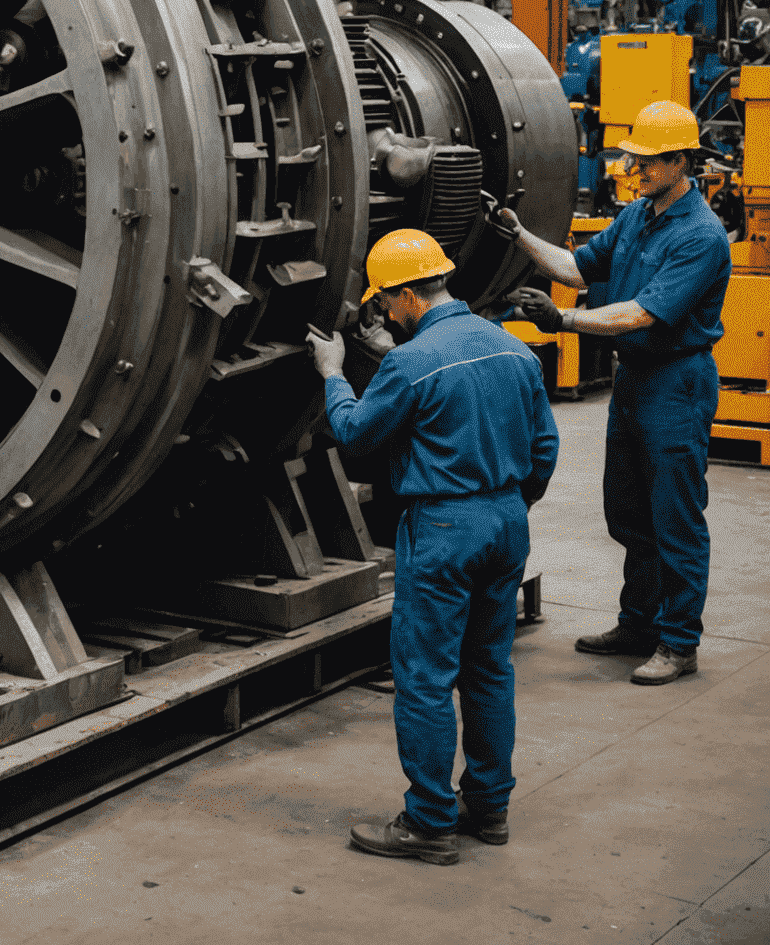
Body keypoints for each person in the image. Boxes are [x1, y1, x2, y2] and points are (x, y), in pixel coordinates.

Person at [308, 230, 558, 866]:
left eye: (386, 302)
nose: (385, 315)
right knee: (489, 669)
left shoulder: (410, 366)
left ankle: (427, 824)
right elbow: (544, 450)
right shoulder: (512, 350)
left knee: (425, 678)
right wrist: (504, 505)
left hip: (444, 530)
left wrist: (334, 374)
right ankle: (489, 808)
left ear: (405, 295)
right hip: (506, 522)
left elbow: (356, 435)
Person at [506, 99, 731, 687]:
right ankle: (638, 624)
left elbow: (640, 315)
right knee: (630, 512)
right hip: (635, 382)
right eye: (634, 159)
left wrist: (563, 323)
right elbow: (578, 270)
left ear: (681, 162)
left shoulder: (701, 237)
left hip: (676, 384)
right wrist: (518, 234)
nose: (635, 170)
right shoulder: (637, 216)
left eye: (649, 161)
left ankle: (679, 642)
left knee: (675, 518)